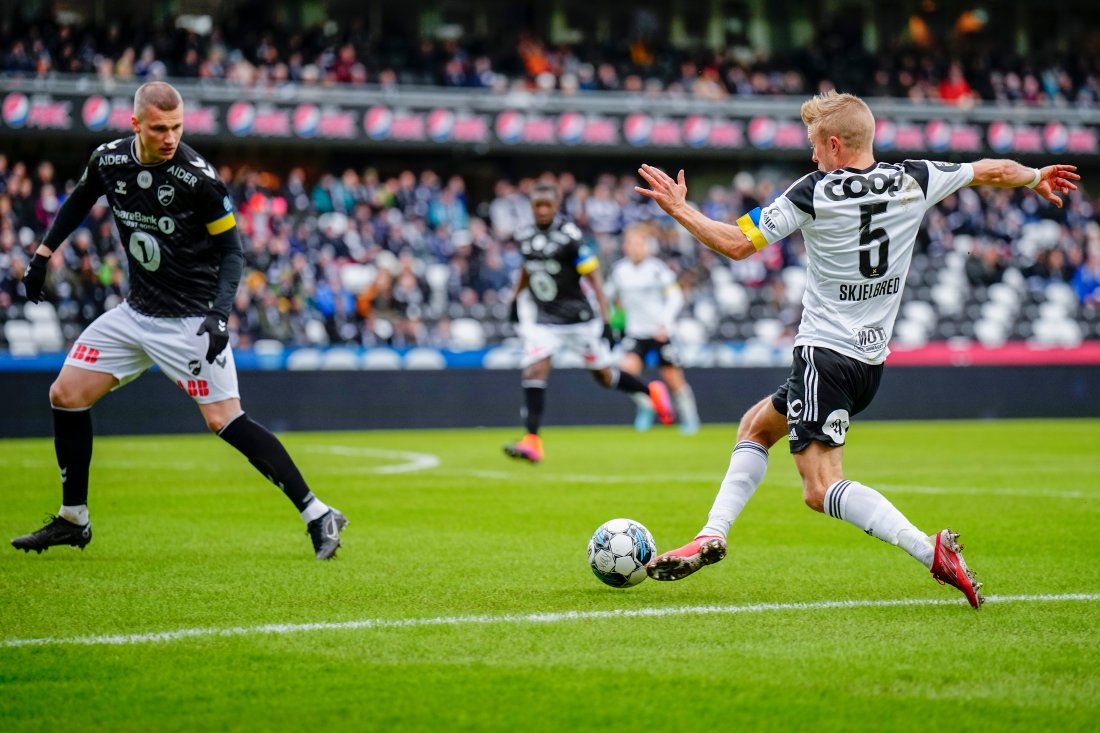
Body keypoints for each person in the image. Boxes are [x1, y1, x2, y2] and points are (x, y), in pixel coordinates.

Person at [635, 90, 1079, 609]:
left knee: (820, 488)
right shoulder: (917, 176)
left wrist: (679, 209)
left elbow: (736, 244)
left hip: (823, 355)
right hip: (870, 362)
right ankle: (712, 533)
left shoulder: (814, 192)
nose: (813, 156)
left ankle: (927, 548)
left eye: (816, 146)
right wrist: (1035, 176)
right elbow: (991, 170)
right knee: (757, 426)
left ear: (836, 143)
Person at [12, 82, 349, 560]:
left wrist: (219, 314)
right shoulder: (109, 159)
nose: (170, 136)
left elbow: (233, 252)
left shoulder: (199, 179)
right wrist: (44, 253)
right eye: (159, 128)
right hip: (135, 313)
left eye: (177, 127)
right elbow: (82, 198)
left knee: (224, 420)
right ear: (136, 125)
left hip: (189, 319)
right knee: (65, 394)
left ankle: (318, 513)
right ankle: (74, 519)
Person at [504, 182, 673, 464]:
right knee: (534, 370)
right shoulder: (524, 235)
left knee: (604, 376)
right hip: (546, 321)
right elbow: (527, 268)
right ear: (532, 207)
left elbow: (593, 277)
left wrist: (606, 319)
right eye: (538, 206)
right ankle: (532, 440)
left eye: (548, 205)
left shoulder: (570, 236)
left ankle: (650, 390)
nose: (543, 210)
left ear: (556, 206)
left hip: (580, 320)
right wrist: (514, 300)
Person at [607, 224, 701, 434]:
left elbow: (675, 296)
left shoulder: (657, 269)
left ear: (647, 246)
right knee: (625, 373)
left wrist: (665, 322)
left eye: (638, 243)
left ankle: (689, 420)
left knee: (674, 380)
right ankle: (647, 405)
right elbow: (608, 298)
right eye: (630, 244)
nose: (634, 248)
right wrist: (612, 320)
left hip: (660, 332)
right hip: (635, 333)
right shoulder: (619, 271)